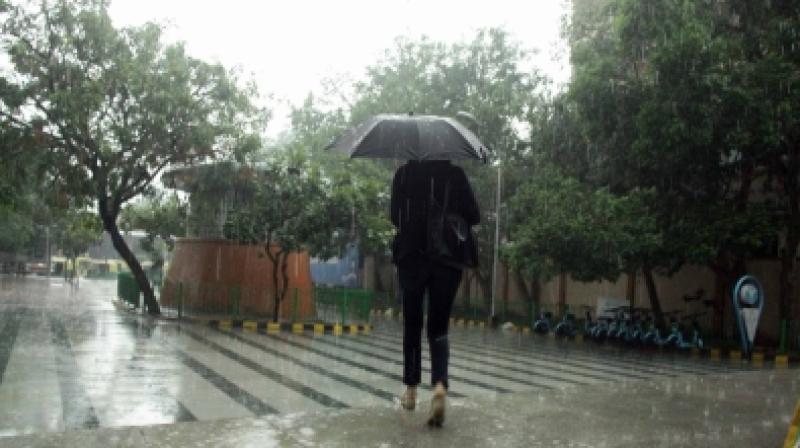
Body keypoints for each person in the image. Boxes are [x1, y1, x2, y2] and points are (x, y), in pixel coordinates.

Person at [390, 159, 480, 427]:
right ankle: (439, 385)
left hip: (412, 258)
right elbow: (474, 215)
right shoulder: (455, 174)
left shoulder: (404, 174)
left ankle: (411, 390)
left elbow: (395, 216)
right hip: (447, 259)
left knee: (413, 324)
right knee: (439, 328)